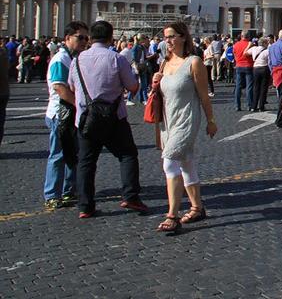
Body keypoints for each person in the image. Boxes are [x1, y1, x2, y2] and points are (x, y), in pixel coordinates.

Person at [68, 20, 147, 218]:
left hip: (86, 118)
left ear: (90, 38)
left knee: (86, 162)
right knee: (127, 154)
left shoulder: (77, 60)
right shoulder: (116, 59)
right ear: (111, 37)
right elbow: (132, 87)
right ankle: (130, 196)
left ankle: (85, 206)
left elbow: (72, 87)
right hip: (114, 118)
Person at [154, 21, 217, 234]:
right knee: (186, 164)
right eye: (165, 37)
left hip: (187, 119)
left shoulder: (194, 62)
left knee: (169, 163)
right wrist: (156, 82)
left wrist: (210, 120)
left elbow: (203, 95)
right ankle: (197, 207)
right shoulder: (164, 62)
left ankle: (172, 215)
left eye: (172, 36)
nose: (168, 41)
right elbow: (163, 95)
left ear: (183, 37)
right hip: (168, 120)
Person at [42, 21, 88, 209]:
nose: (85, 41)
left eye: (86, 38)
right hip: (60, 113)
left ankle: (69, 190)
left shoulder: (73, 58)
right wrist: (80, 105)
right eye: (80, 37)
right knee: (58, 154)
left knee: (72, 153)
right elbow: (60, 88)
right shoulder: (61, 60)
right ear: (67, 38)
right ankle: (52, 193)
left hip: (70, 112)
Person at [232, 32, 254, 111]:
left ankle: (237, 105)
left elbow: (234, 56)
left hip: (239, 66)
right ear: (248, 37)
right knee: (249, 87)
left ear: (241, 36)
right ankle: (250, 105)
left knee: (238, 87)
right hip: (248, 66)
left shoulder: (235, 45)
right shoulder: (250, 44)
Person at [249, 37, 271, 112]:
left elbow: (245, 53)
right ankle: (261, 106)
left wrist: (249, 45)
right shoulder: (267, 51)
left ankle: (253, 106)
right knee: (263, 88)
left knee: (256, 88)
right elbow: (269, 62)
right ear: (264, 43)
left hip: (255, 69)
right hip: (264, 68)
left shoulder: (254, 49)